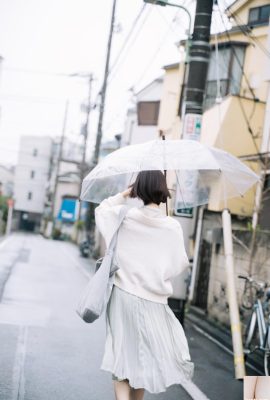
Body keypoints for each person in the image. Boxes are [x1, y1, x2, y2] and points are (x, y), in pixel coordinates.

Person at [94, 170, 194, 400]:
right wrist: (157, 272)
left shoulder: (124, 216)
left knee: (122, 354)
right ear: (162, 190)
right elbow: (179, 264)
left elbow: (101, 210)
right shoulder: (172, 227)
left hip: (123, 295)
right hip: (154, 300)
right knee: (143, 361)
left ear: (138, 189)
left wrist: (124, 194)